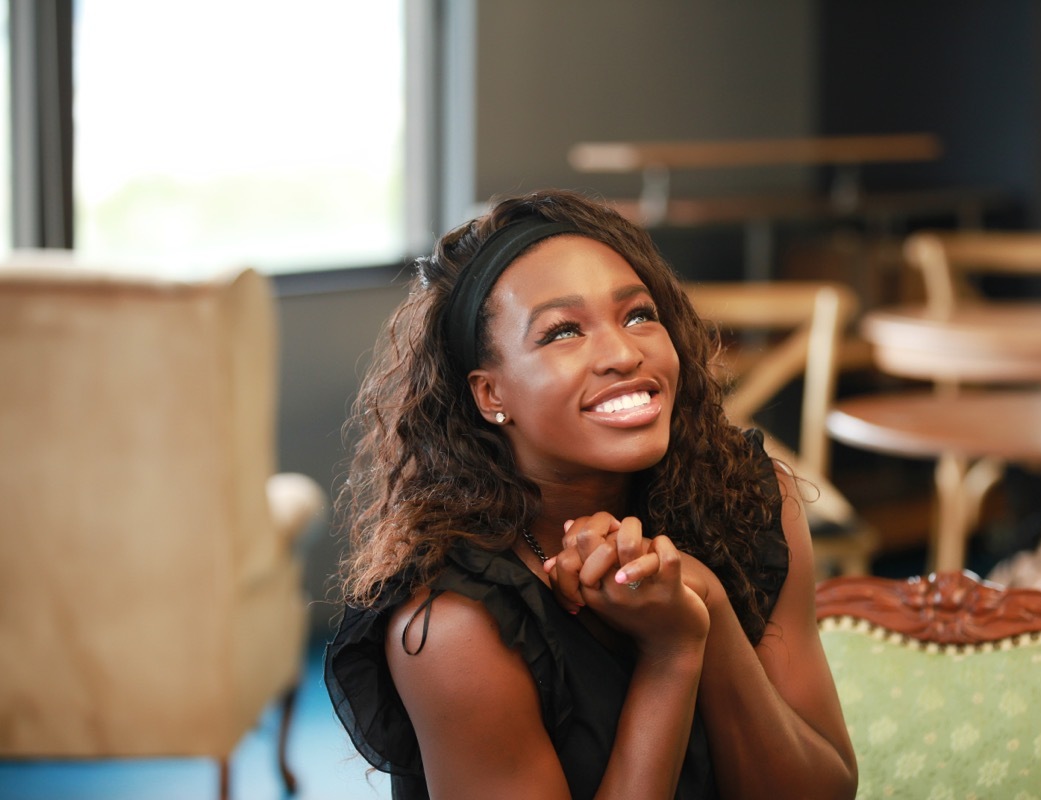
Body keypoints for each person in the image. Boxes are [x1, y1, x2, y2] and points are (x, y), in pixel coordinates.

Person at [325, 189, 857, 800]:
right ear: (491, 394)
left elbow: (825, 791)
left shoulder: (748, 502)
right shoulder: (453, 627)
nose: (624, 354)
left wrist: (707, 602)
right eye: (562, 332)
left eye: (637, 315)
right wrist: (673, 652)